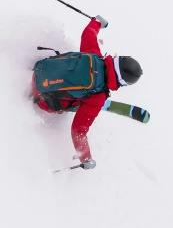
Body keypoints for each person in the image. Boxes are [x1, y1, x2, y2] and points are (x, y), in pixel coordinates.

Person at [33, 16, 142, 169]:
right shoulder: (98, 97)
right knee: (83, 100)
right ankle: (74, 102)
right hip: (42, 100)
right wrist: (86, 158)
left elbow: (88, 33)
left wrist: (97, 22)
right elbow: (78, 130)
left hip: (39, 70)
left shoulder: (94, 55)